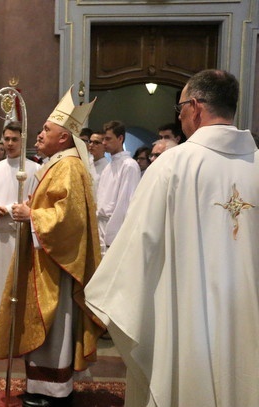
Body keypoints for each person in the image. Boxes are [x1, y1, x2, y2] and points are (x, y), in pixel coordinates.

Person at [85, 69, 259, 406]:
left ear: (194, 107)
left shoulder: (171, 166)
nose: (179, 117)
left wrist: (103, 295)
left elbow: (138, 246)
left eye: (178, 109)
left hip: (188, 325)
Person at [0, 88, 104, 407]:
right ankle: (42, 386)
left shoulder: (68, 166)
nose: (38, 135)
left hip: (56, 263)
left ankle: (53, 391)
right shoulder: (57, 163)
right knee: (43, 323)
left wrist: (32, 215)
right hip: (46, 257)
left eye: (45, 131)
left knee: (53, 323)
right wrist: (31, 206)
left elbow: (71, 218)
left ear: (64, 138)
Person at [0, 121, 40, 344]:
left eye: (14, 139)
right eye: (7, 139)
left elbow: (38, 203)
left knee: (19, 285)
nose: (10, 143)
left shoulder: (35, 170)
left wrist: (19, 211)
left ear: (23, 141)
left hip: (21, 237)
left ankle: (18, 333)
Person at [95, 120, 141, 254]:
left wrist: (112, 236)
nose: (104, 143)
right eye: (103, 139)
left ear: (120, 138)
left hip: (114, 230)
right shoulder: (108, 167)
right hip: (101, 227)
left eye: (108, 139)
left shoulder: (129, 165)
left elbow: (125, 204)